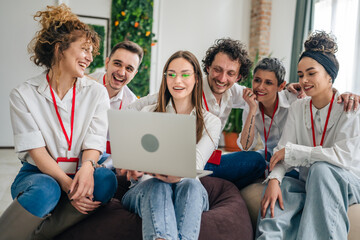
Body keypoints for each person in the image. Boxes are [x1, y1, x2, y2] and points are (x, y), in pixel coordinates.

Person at [0, 4, 117, 239]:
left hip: (81, 169)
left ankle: (41, 235)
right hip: (40, 173)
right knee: (46, 189)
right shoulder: (23, 94)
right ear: (59, 49)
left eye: (92, 51)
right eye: (84, 49)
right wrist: (66, 183)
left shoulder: (96, 92)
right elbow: (37, 152)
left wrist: (87, 168)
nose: (90, 57)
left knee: (105, 180)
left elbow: (94, 141)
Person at [257, 31, 360, 239]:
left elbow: (343, 157)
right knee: (283, 184)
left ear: (329, 75)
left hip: (347, 180)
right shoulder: (298, 107)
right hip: (309, 180)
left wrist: (295, 152)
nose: (304, 80)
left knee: (321, 170)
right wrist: (275, 179)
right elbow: (282, 151)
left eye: (311, 73)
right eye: (301, 74)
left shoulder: (350, 108)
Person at [121, 50, 221, 240]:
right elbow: (135, 157)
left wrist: (172, 172)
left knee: (190, 183)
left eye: (185, 74)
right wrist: (135, 167)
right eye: (171, 74)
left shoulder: (211, 122)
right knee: (158, 186)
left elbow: (195, 163)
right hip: (145, 189)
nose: (177, 81)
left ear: (197, 79)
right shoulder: (148, 112)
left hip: (189, 189)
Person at [90, 40, 144, 169]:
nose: (121, 72)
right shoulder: (87, 84)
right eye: (117, 64)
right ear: (107, 63)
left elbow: (122, 149)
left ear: (134, 74)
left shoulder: (131, 104)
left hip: (103, 160)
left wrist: (103, 166)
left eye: (129, 68)